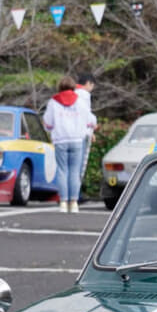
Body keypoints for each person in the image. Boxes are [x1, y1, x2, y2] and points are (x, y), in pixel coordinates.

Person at [42, 75, 95, 213]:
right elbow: (90, 120)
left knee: (62, 171)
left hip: (60, 140)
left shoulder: (53, 102)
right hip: (77, 139)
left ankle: (63, 202)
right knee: (74, 172)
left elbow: (47, 123)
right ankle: (74, 202)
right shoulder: (80, 101)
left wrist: (52, 128)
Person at [75, 72, 97, 186]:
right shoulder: (84, 95)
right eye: (92, 86)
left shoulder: (72, 93)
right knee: (79, 165)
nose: (91, 89)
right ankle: (75, 193)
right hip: (81, 134)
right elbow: (86, 116)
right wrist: (92, 127)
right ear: (88, 83)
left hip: (69, 134)